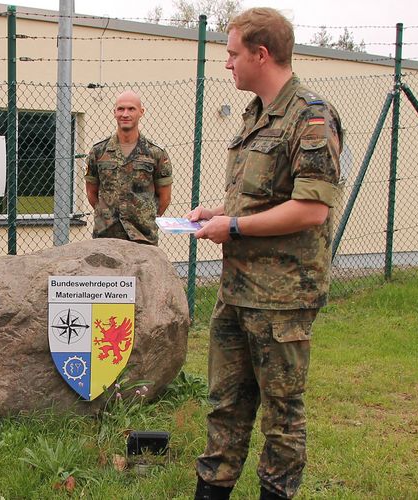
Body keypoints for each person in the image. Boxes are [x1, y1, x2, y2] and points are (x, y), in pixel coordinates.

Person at [186, 8, 343, 500]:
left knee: (281, 416)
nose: (227, 64)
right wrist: (219, 210)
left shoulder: (311, 116)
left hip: (281, 298)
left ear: (261, 53)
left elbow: (311, 208)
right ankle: (212, 490)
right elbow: (265, 197)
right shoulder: (257, 113)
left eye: (233, 54)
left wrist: (231, 225)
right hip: (237, 293)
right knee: (224, 405)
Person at [84, 90, 172, 245]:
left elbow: (164, 198)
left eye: (131, 109)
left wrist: (144, 216)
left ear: (141, 112)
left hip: (143, 238)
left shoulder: (155, 153)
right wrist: (107, 214)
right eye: (120, 109)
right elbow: (92, 193)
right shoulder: (98, 151)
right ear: (114, 113)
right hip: (106, 236)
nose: (125, 114)